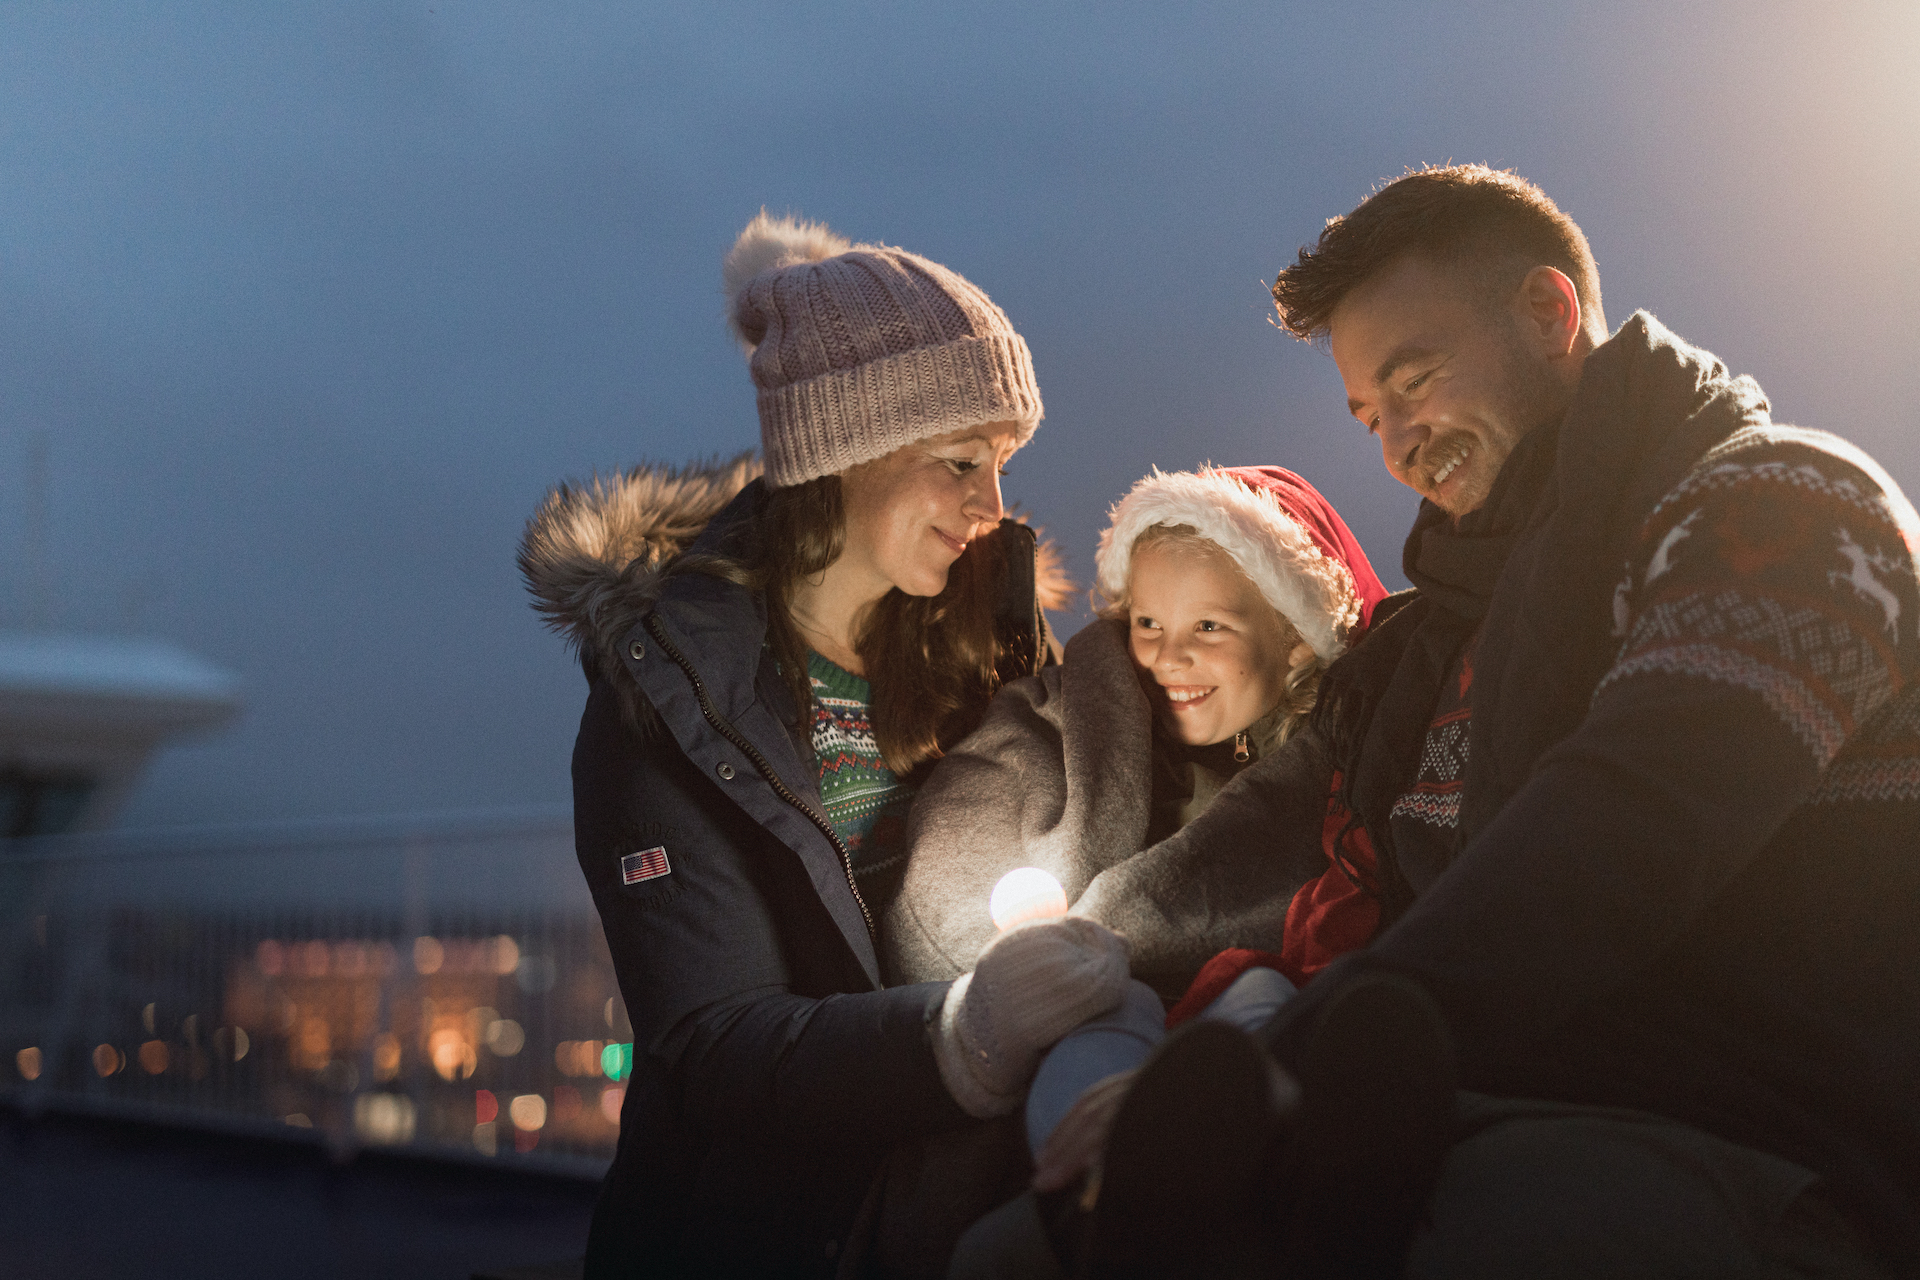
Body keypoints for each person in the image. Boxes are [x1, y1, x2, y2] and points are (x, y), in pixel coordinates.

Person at [1075, 164, 1920, 1279]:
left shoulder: (1783, 510)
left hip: (1759, 1146)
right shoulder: (1426, 646)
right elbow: (1242, 853)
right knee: (1021, 1239)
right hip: (1482, 1104)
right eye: (1371, 417)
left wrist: (1299, 1059)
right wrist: (1037, 974)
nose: (1399, 443)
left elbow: (1624, 827)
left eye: (1416, 379)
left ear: (1549, 313)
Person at [519, 212, 1133, 1278]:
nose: (992, 506)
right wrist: (964, 1035)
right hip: (769, 1234)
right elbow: (715, 1044)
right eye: (959, 462)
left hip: (970, 1193)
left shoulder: (992, 639)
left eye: (998, 464)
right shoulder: (666, 694)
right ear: (844, 451)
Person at [885, 465, 1387, 1001]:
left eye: (1209, 627)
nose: (1169, 658)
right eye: (1148, 624)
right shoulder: (1050, 718)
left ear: (1297, 640)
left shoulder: (1336, 780)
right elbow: (943, 906)